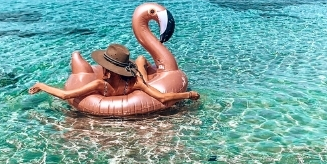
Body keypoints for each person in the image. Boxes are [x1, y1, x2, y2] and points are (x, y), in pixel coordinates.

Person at [28, 43, 200, 103]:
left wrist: (41, 85)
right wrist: (189, 94)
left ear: (106, 68)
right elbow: (163, 97)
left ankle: (142, 64)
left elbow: (66, 95)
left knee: (140, 61)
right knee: (140, 59)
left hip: (133, 77)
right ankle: (142, 64)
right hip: (138, 79)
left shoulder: (99, 85)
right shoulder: (136, 83)